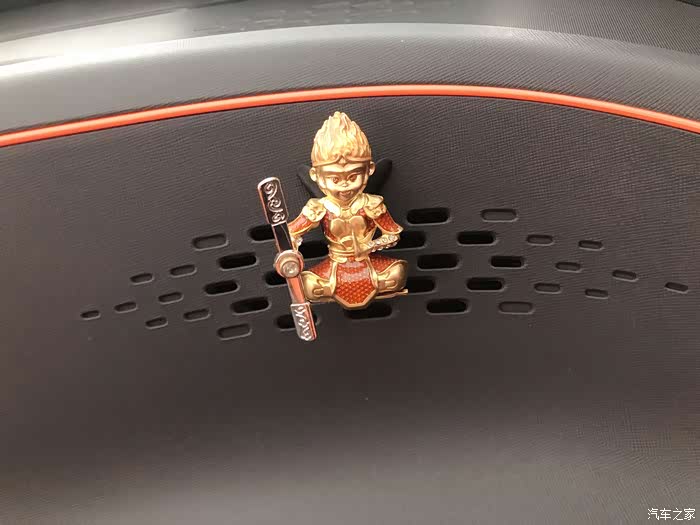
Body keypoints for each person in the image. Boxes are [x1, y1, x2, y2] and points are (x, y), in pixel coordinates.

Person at [288, 112, 408, 309]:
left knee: (397, 274)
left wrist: (369, 246)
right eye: (335, 179)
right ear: (315, 175)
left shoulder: (371, 204)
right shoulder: (318, 208)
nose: (344, 186)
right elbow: (290, 232)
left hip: (368, 261)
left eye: (352, 177)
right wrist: (292, 248)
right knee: (309, 285)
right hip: (335, 264)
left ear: (369, 169)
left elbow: (392, 234)